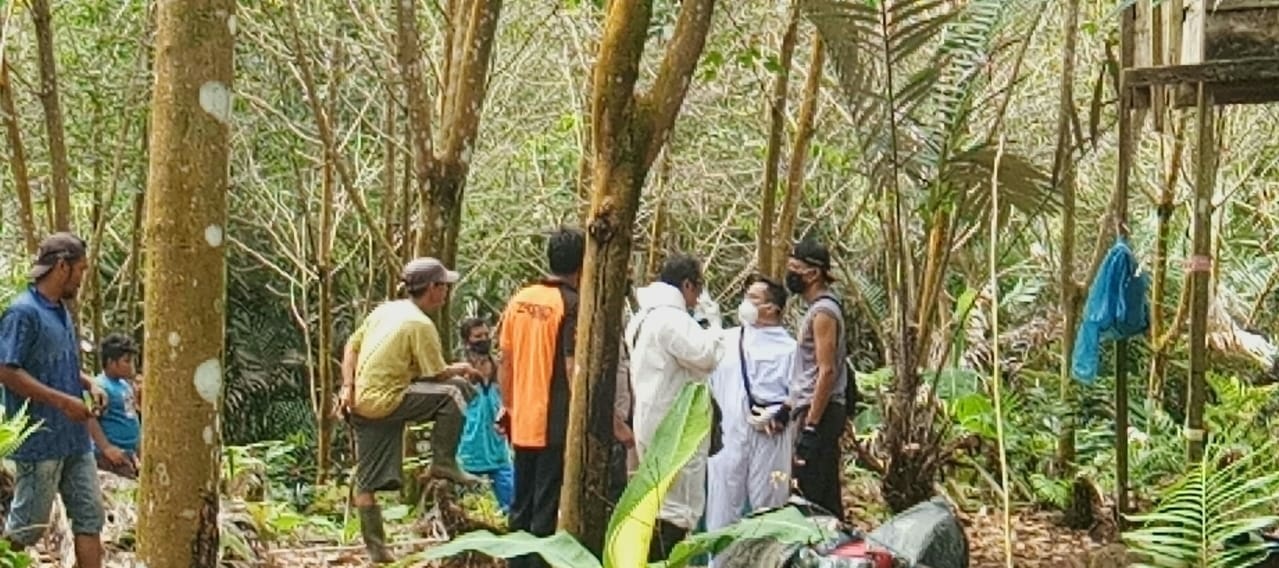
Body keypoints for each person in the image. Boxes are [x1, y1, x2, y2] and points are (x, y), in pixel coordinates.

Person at [337, 257, 484, 563]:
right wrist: (462, 368)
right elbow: (437, 375)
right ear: (433, 288)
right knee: (455, 391)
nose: (447, 293)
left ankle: (377, 550)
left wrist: (347, 387)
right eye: (444, 286)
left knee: (366, 482)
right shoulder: (420, 324)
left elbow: (351, 346)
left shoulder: (386, 310)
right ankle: (443, 461)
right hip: (387, 400)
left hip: (362, 403)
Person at [0, 232, 119, 568]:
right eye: (80, 269)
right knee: (27, 528)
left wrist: (88, 383)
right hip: (40, 443)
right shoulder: (22, 313)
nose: (83, 277)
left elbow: (59, 361)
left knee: (89, 517)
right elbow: (7, 370)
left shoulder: (61, 311)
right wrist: (63, 402)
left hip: (75, 442)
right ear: (62, 266)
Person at [625, 253, 725, 561]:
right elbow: (706, 355)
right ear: (686, 285)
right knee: (675, 509)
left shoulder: (644, 317)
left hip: (654, 419)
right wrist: (714, 323)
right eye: (698, 289)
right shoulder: (670, 319)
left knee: (660, 501)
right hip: (673, 427)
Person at [497, 227, 583, 568]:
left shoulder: (520, 299)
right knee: (545, 510)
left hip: (522, 420)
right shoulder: (572, 304)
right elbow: (571, 365)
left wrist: (509, 406)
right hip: (555, 420)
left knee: (521, 505)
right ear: (583, 263)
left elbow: (505, 358)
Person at [705, 275, 796, 531]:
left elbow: (799, 392)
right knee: (721, 511)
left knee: (768, 508)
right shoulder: (728, 340)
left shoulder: (790, 349)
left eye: (753, 298)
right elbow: (703, 362)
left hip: (770, 438)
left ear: (772, 309)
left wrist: (780, 414)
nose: (745, 303)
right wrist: (711, 324)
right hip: (729, 437)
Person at [784, 238, 850, 519]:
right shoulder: (818, 309)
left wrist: (811, 426)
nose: (791, 273)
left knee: (814, 496)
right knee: (821, 493)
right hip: (815, 410)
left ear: (813, 274)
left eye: (795, 268)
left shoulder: (824, 312)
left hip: (820, 413)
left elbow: (826, 370)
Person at [455, 317, 514, 514]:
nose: (483, 339)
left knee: (511, 504)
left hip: (498, 448)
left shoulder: (500, 368)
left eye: (486, 335)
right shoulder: (460, 373)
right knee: (467, 508)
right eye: (477, 336)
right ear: (467, 341)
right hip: (468, 448)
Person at [93, 333, 142, 479]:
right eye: (126, 361)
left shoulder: (125, 385)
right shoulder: (100, 386)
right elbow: (90, 419)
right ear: (111, 362)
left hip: (129, 454)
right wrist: (106, 448)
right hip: (113, 456)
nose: (131, 366)